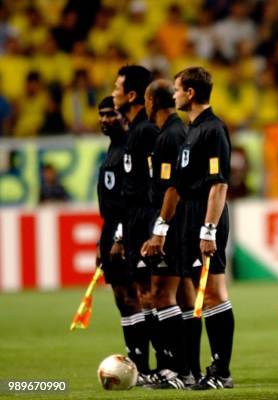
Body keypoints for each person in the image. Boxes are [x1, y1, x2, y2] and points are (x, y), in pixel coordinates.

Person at [173, 66, 234, 390]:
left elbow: (218, 184)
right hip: (191, 216)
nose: (175, 95)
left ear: (191, 93)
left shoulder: (212, 129)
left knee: (213, 292)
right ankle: (206, 368)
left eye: (177, 89)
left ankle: (222, 371)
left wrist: (208, 229)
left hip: (206, 216)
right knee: (197, 292)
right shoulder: (192, 129)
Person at [139, 79, 189, 388]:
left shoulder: (170, 136)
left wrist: (160, 230)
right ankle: (184, 369)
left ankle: (175, 369)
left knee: (163, 293)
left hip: (170, 226)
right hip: (172, 224)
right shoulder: (172, 132)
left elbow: (173, 188)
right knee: (177, 295)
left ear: (150, 101)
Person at [111, 64, 159, 382]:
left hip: (145, 221)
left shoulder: (145, 131)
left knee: (151, 293)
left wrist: (157, 228)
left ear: (131, 95)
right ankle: (146, 367)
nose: (113, 93)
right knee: (140, 293)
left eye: (117, 88)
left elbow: (154, 184)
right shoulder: (132, 131)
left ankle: (169, 366)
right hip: (132, 222)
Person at [96, 96, 146, 387]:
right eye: (101, 114)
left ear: (123, 115)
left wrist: (118, 237)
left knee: (134, 298)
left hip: (124, 230)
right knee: (122, 301)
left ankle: (143, 364)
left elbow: (129, 200)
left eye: (110, 114)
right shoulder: (113, 147)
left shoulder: (129, 146)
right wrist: (101, 243)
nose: (104, 119)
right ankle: (135, 360)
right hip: (111, 230)